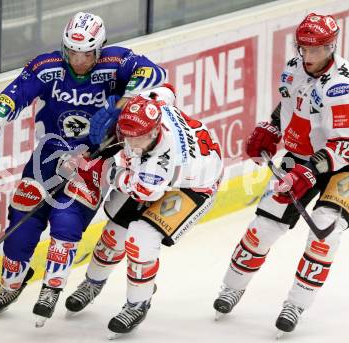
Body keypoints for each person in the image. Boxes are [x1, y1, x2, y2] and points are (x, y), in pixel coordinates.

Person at [0, 11, 166, 327]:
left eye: (87, 53)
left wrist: (120, 106)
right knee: (21, 218)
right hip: (50, 151)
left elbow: (154, 73)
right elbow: (17, 92)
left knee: (66, 220)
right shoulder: (48, 66)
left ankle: (52, 286)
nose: (79, 60)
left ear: (100, 48)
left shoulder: (116, 63)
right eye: (72, 51)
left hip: (94, 157)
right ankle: (12, 281)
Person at [212, 13, 349, 337]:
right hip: (301, 158)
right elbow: (288, 105)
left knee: (324, 237)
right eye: (305, 48)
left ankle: (296, 304)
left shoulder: (341, 86)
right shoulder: (292, 68)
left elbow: (344, 142)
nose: (310, 56)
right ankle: (232, 288)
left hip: (340, 164)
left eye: (317, 50)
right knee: (263, 226)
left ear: (331, 47)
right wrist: (272, 129)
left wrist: (309, 172)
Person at [63, 85, 223, 338]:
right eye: (128, 135)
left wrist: (99, 168)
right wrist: (116, 109)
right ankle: (92, 283)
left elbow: (141, 189)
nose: (132, 143)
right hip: (161, 175)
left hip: (193, 186)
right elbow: (166, 89)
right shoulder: (152, 108)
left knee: (141, 237)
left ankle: (138, 303)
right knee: (113, 234)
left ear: (156, 130)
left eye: (140, 137)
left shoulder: (161, 163)